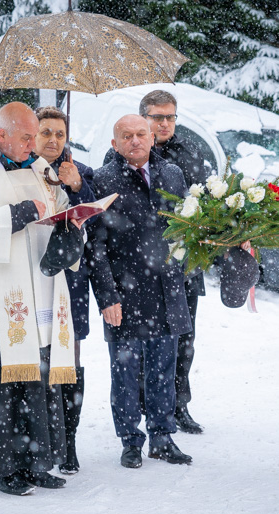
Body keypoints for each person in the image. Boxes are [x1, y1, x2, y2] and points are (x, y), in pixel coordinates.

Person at [0, 101, 83, 496]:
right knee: (0, 388)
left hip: (40, 297)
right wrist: (19, 212)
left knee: (37, 385)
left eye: (35, 135)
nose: (34, 143)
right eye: (27, 136)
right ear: (1, 134)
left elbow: (60, 210)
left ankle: (37, 461)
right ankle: (2, 468)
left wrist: (71, 225)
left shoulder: (42, 170)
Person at [88, 114, 193, 469]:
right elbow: (96, 247)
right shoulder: (103, 180)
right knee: (126, 372)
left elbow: (186, 226)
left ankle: (163, 438)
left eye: (140, 134)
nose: (135, 141)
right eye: (126, 136)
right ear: (115, 144)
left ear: (152, 138)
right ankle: (130, 440)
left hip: (167, 289)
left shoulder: (174, 174)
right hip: (125, 294)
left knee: (165, 368)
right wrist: (107, 296)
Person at [139, 89, 207, 434]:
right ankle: (142, 408)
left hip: (183, 265)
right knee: (141, 342)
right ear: (144, 118)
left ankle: (178, 405)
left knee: (183, 339)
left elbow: (206, 203)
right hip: (140, 268)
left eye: (170, 117)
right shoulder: (130, 148)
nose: (165, 123)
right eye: (157, 116)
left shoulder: (190, 153)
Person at [33, 105, 95, 474]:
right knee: (36, 365)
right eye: (46, 132)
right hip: (32, 281)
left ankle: (68, 443)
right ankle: (41, 440)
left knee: (69, 365)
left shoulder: (81, 172)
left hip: (71, 285)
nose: (53, 140)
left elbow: (99, 223)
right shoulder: (21, 173)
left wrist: (77, 186)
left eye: (59, 133)